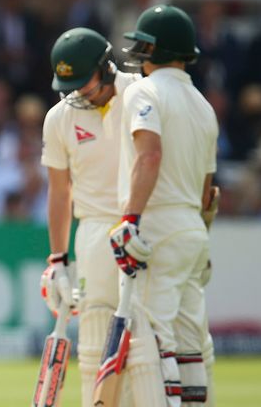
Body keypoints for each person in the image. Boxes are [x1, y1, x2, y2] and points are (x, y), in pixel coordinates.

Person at [40, 27, 161, 406]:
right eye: (70, 85)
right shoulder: (60, 117)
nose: (78, 93)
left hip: (142, 227)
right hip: (93, 233)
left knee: (145, 344)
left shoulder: (142, 94)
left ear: (106, 67)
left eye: (84, 82)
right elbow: (60, 191)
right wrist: (58, 259)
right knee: (92, 345)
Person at [114, 4, 219, 406]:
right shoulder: (204, 106)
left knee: (152, 339)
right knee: (191, 341)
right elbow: (208, 191)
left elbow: (149, 156)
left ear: (157, 50)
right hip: (192, 231)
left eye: (143, 45)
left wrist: (130, 219)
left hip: (157, 226)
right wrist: (199, 238)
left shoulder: (145, 91)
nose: (138, 54)